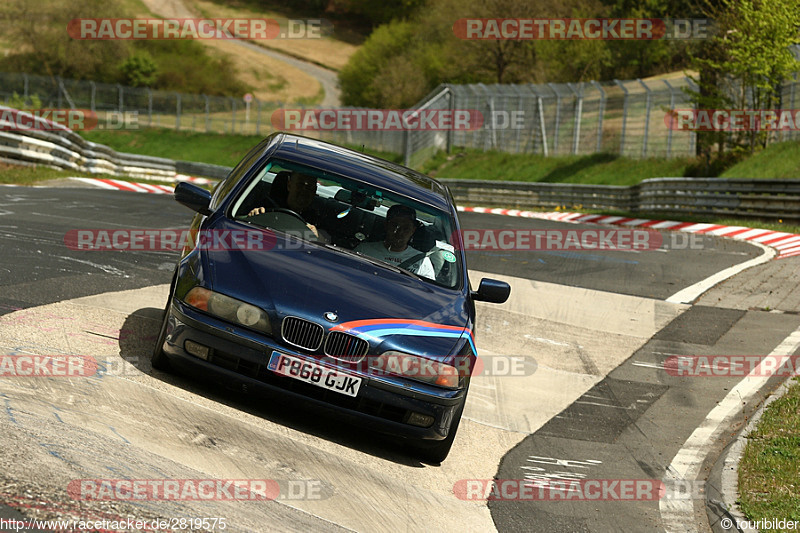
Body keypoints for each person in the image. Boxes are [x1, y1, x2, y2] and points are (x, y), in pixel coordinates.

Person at [354, 204, 435, 279]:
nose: (400, 232)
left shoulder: (423, 263)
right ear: (386, 225)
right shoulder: (363, 251)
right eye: (395, 226)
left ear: (413, 230)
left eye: (406, 228)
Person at [247, 171, 322, 238]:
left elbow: (328, 242)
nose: (304, 191)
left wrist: (318, 236)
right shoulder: (266, 206)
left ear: (314, 191)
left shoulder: (318, 219)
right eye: (300, 184)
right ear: (289, 185)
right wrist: (253, 216)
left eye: (309, 187)